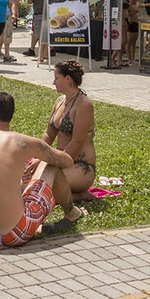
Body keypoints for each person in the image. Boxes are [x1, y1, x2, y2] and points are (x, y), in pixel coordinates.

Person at [0, 91, 86, 247]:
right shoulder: (23, 142)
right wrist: (41, 158)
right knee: (51, 165)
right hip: (15, 233)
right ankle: (72, 213)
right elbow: (66, 161)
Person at [40, 61, 97, 201]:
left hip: (80, 166)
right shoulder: (60, 101)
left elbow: (77, 142)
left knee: (43, 190)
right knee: (28, 181)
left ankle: (79, 195)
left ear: (67, 79)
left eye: (56, 78)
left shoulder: (84, 105)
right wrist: (38, 156)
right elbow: (49, 134)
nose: (53, 82)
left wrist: (53, 162)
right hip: (59, 161)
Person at [27, 0, 49, 64]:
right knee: (46, 35)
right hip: (49, 15)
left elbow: (29, 1)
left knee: (40, 35)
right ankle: (46, 54)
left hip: (39, 14)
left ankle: (40, 56)